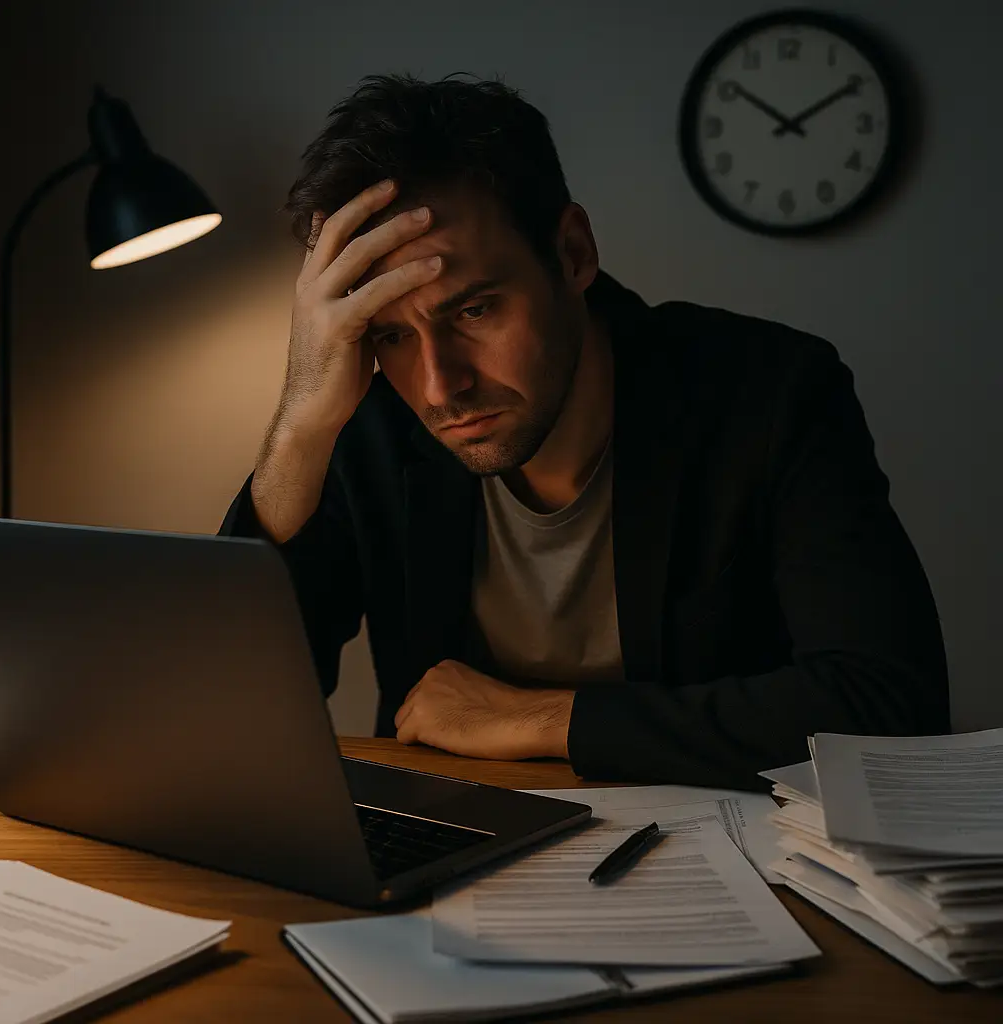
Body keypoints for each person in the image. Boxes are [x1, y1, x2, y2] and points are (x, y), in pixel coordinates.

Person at [220, 72, 949, 789]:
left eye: (473, 312)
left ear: (572, 254)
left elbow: (888, 706)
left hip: (718, 864)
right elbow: (228, 709)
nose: (441, 387)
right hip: (452, 859)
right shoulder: (366, 425)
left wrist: (552, 719)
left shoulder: (770, 391)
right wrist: (299, 425)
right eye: (391, 338)